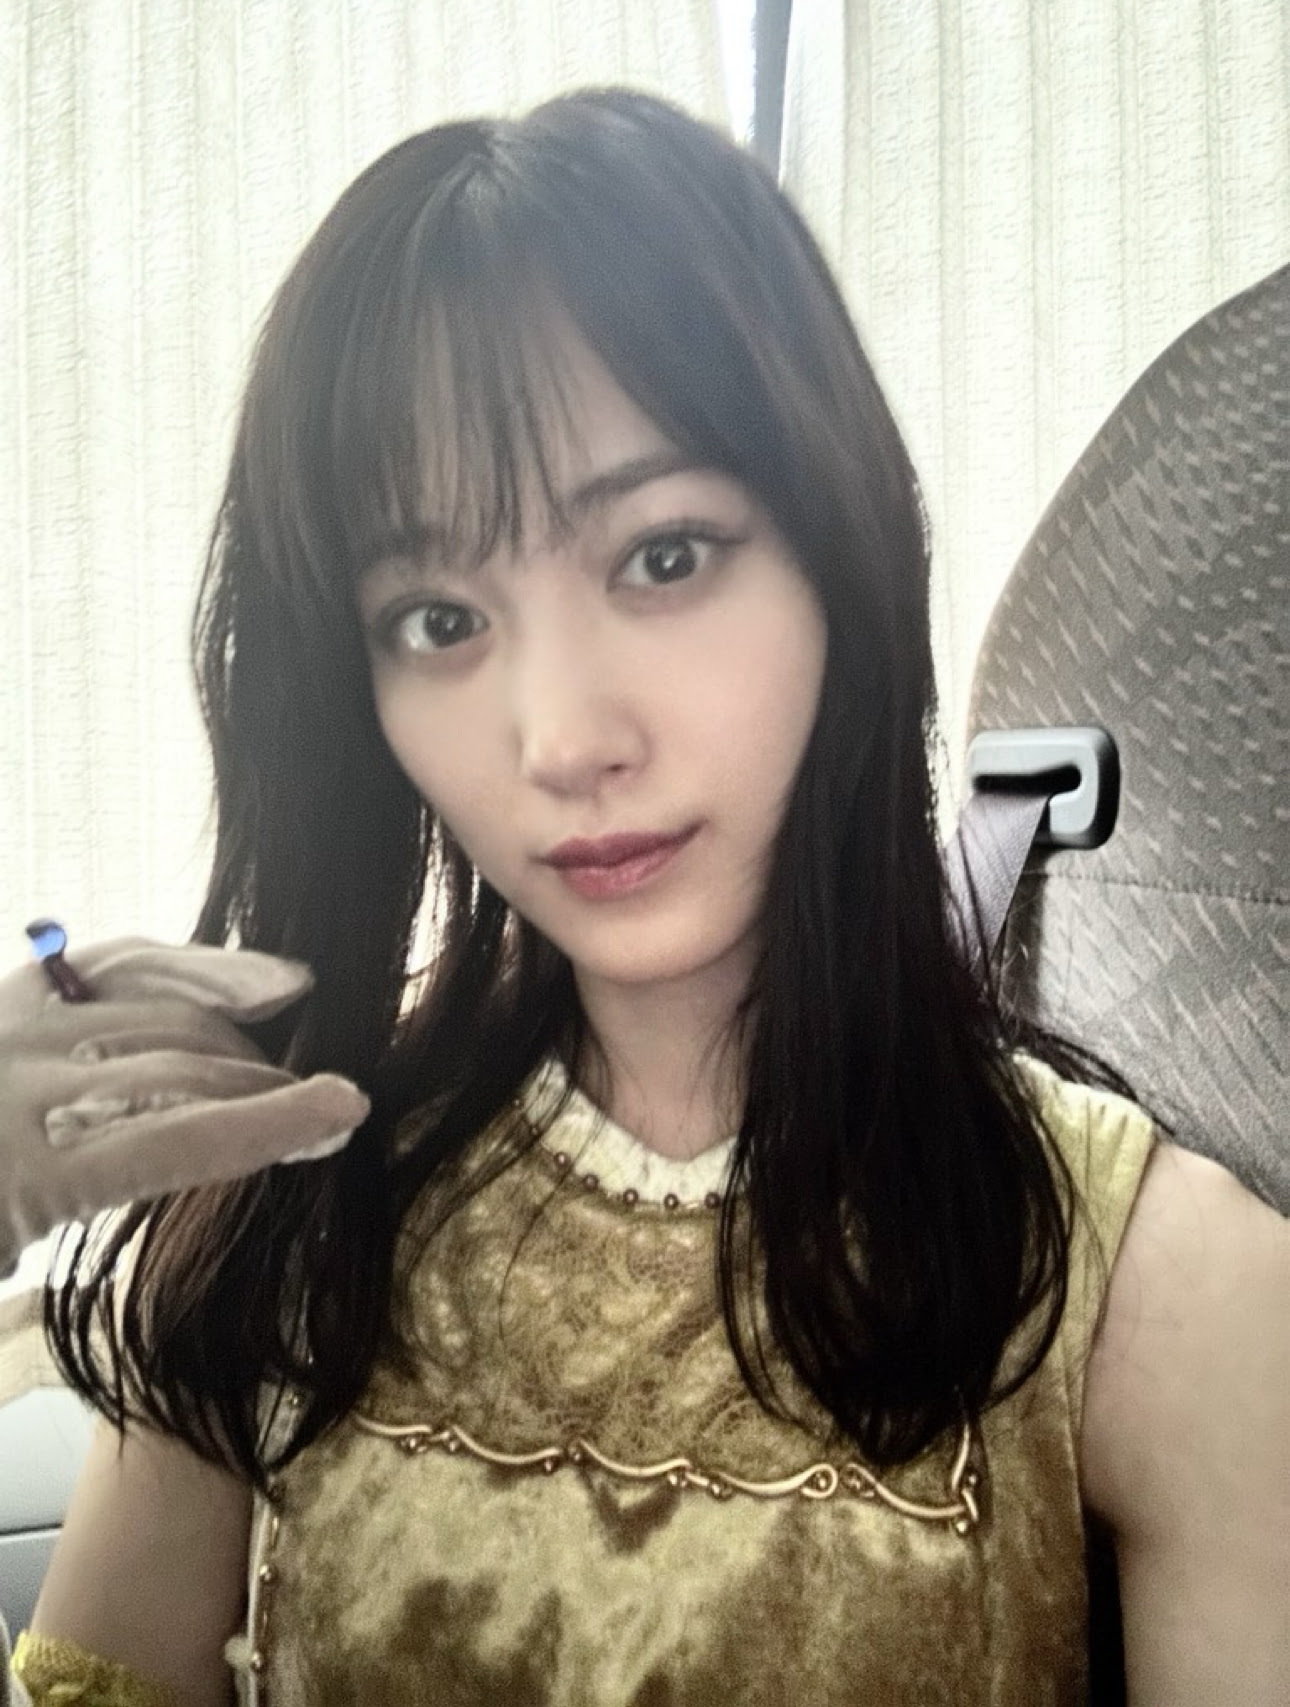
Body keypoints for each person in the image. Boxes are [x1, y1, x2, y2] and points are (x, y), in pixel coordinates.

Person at [6, 88, 1287, 1706]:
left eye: (663, 557)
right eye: (437, 620)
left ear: (839, 558)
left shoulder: (1158, 1289)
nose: (561, 740)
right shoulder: (281, 1197)